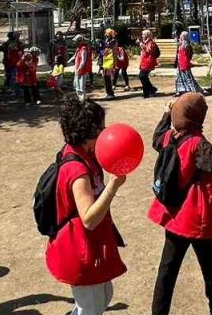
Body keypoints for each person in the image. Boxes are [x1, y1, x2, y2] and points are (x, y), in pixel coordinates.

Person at [148, 93, 212, 315]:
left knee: (166, 272)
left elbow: (156, 138)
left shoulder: (170, 137)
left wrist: (166, 114)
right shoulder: (197, 144)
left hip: (174, 216)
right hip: (198, 219)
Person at [45, 101, 127, 315]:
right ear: (87, 133)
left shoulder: (82, 152)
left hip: (93, 244)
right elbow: (89, 219)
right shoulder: (76, 169)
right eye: (100, 127)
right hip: (80, 248)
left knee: (103, 296)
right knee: (89, 308)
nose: (104, 131)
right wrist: (113, 185)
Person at [138, 29, 160, 98]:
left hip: (148, 62)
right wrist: (141, 44)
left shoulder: (151, 42)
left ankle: (147, 92)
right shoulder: (145, 42)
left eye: (143, 34)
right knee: (143, 77)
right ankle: (151, 89)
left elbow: (148, 51)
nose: (142, 36)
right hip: (144, 61)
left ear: (147, 35)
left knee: (142, 76)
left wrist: (141, 45)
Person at [73, 35, 93, 102]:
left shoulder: (83, 49)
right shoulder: (79, 48)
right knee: (76, 84)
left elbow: (83, 61)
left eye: (76, 41)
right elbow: (75, 57)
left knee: (81, 85)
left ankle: (82, 99)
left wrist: (79, 68)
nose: (74, 42)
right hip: (77, 69)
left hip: (82, 70)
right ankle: (79, 98)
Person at [101, 32, 119, 100]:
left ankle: (110, 93)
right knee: (106, 77)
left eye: (107, 34)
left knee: (107, 76)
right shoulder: (107, 41)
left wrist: (104, 46)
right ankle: (109, 92)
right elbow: (103, 50)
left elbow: (112, 47)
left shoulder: (113, 41)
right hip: (105, 59)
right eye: (106, 34)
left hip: (111, 60)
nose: (106, 35)